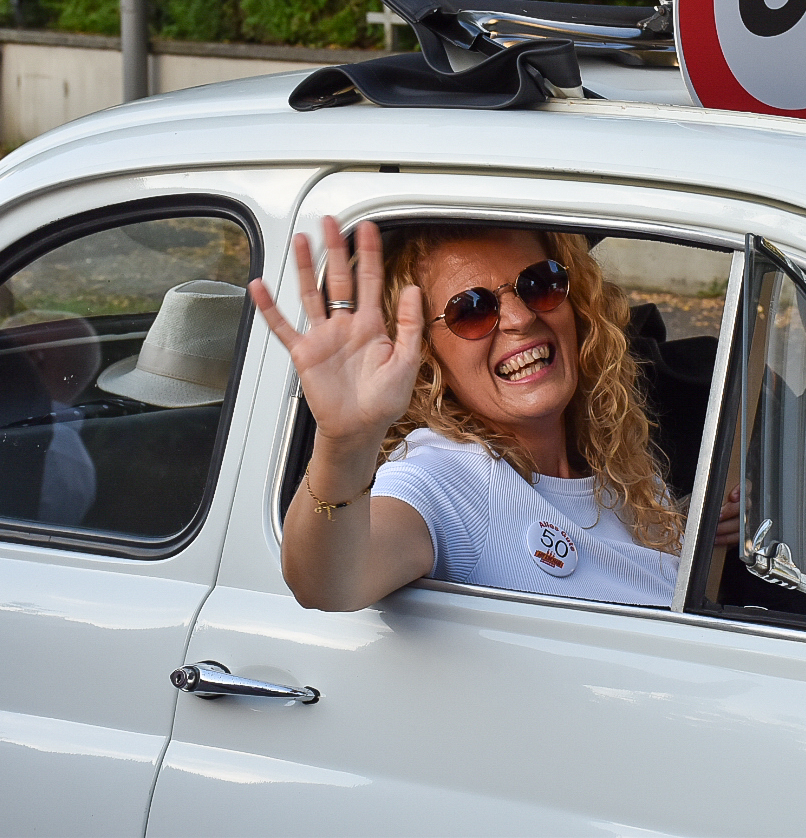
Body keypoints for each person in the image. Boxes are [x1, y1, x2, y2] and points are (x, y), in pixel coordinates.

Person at [250, 219, 738, 612]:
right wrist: (344, 443)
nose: (521, 318)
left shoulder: (618, 462)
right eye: (471, 310)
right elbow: (329, 583)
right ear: (427, 355)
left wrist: (681, 528)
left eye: (540, 285)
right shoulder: (442, 476)